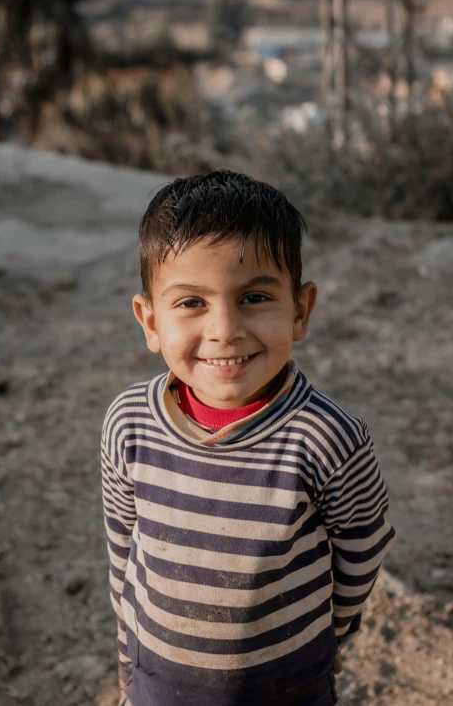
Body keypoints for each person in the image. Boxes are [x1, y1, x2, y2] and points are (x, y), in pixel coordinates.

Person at [101, 170, 396, 706]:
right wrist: (128, 663)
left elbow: (362, 551)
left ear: (300, 310)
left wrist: (326, 638)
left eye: (255, 296)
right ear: (149, 321)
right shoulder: (129, 423)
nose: (224, 329)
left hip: (287, 686)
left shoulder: (328, 439)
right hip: (157, 687)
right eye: (191, 302)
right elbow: (124, 553)